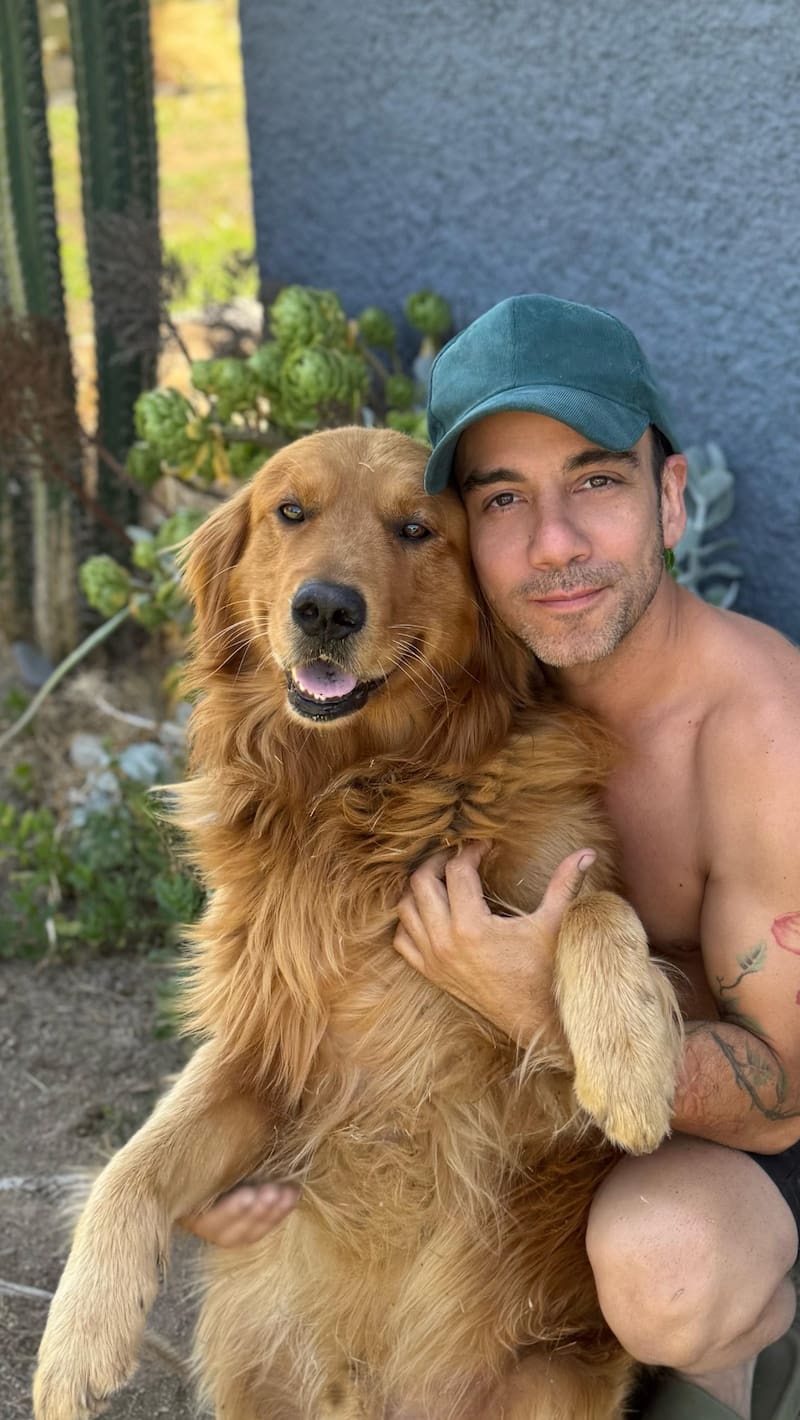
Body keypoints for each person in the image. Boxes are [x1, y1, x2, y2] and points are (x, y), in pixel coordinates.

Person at [183, 295, 800, 1420]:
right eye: (505, 499)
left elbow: (784, 1101)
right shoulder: (453, 699)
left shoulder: (766, 739)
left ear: (670, 496)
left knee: (672, 1264)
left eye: (597, 482)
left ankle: (746, 1362)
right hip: (538, 1148)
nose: (554, 543)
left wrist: (539, 1005)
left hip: (721, 1152)